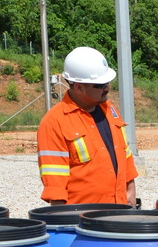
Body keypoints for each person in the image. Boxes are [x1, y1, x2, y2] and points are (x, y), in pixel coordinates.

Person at [37, 46, 138, 206]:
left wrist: (130, 191)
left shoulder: (110, 110)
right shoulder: (55, 122)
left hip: (119, 210)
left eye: (107, 83)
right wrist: (62, 220)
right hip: (83, 219)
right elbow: (55, 183)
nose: (107, 88)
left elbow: (125, 154)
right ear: (79, 87)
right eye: (100, 85)